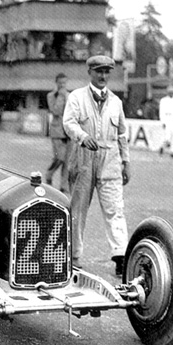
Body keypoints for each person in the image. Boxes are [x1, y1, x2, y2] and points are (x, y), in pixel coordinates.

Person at [63, 55, 131, 276]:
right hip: (84, 157)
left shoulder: (116, 102)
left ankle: (121, 255)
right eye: (98, 71)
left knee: (115, 208)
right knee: (78, 208)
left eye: (106, 72)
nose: (103, 76)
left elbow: (122, 134)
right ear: (90, 72)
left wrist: (126, 162)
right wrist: (82, 136)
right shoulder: (77, 97)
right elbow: (68, 122)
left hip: (110, 159)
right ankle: (74, 256)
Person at [45, 72, 72, 193]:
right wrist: (61, 97)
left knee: (67, 162)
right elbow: (55, 111)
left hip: (68, 132)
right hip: (57, 131)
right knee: (59, 158)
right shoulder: (51, 96)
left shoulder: (70, 95)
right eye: (60, 83)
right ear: (56, 83)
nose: (62, 85)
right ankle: (49, 174)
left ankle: (63, 186)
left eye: (64, 83)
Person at [159, 84, 173, 157]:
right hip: (167, 119)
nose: (171, 93)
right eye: (170, 92)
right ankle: (162, 147)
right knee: (167, 137)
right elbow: (161, 111)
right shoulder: (163, 100)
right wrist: (163, 121)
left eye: (172, 92)